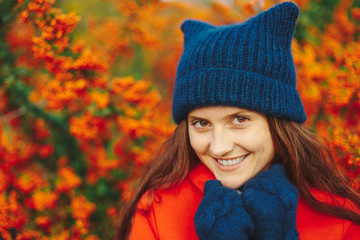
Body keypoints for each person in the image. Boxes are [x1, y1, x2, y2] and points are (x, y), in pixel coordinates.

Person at [116, 2, 360, 240]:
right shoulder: (158, 210)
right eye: (201, 123)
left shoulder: (340, 219)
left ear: (279, 122)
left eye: (239, 119)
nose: (219, 147)